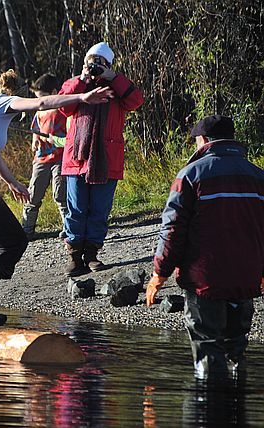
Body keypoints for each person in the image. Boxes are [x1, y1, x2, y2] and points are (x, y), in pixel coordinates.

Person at [0, 69, 113, 329]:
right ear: (16, 93)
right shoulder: (1, 103)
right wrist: (82, 97)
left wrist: (12, 183)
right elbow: (42, 103)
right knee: (14, 241)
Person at [146, 115, 264, 379]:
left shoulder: (190, 175)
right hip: (246, 278)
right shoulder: (259, 176)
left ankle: (209, 400)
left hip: (205, 281)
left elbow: (172, 229)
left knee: (208, 353)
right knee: (237, 353)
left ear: (203, 140)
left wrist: (159, 274)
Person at [58, 42, 144, 276]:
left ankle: (92, 254)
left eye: (100, 62)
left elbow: (136, 101)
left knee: (99, 209)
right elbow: (64, 106)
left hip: (107, 159)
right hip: (77, 158)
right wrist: (82, 80)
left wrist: (113, 77)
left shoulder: (117, 87)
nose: (95, 66)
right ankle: (74, 255)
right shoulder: (76, 85)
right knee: (76, 209)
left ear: (109, 65)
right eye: (91, 61)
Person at [21, 73, 68, 240]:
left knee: (60, 193)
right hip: (41, 158)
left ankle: (69, 227)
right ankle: (27, 228)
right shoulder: (40, 111)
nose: (39, 102)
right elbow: (36, 129)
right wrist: (35, 140)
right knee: (33, 193)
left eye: (42, 98)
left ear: (54, 93)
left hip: (60, 158)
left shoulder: (63, 110)